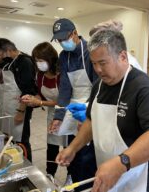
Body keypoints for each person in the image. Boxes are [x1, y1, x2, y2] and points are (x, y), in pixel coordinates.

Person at [57, 30, 149, 192]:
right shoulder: (100, 86)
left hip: (141, 179)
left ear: (122, 56)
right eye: (94, 63)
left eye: (103, 63)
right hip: (109, 170)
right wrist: (73, 148)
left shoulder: (144, 88)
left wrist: (121, 163)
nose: (98, 70)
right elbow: (91, 121)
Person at [50, 18, 97, 191]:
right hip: (73, 106)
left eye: (65, 38)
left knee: (87, 155)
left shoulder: (90, 52)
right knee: (71, 149)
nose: (63, 43)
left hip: (92, 105)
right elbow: (65, 88)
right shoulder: (64, 56)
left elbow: (98, 87)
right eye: (59, 40)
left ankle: (88, 186)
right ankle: (75, 183)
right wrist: (58, 116)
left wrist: (88, 115)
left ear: (75, 33)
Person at [21, 42, 66, 177]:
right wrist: (33, 99)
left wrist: (40, 102)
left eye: (41, 60)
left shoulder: (62, 75)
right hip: (52, 114)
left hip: (66, 114)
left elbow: (63, 100)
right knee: (52, 146)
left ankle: (71, 175)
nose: (38, 63)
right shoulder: (40, 75)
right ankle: (50, 174)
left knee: (68, 147)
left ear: (50, 59)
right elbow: (41, 93)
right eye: (36, 61)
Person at [0, 38, 37, 162]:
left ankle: (27, 168)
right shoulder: (10, 62)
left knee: (21, 141)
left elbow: (28, 90)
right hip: (9, 109)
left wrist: (21, 112)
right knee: (11, 140)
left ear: (7, 51)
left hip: (19, 110)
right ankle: (14, 163)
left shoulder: (25, 62)